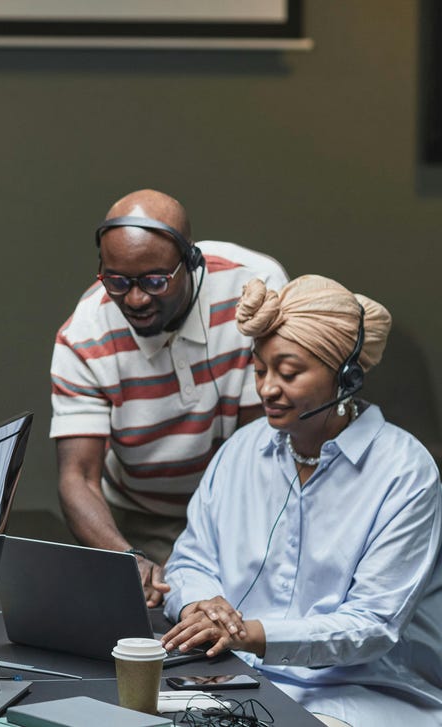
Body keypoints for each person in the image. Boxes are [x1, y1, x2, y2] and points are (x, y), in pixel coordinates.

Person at [161, 275, 442, 726]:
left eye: (288, 373)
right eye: (259, 370)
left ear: (345, 377)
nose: (267, 388)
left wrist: (248, 634)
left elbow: (370, 624)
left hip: (359, 692)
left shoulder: (405, 472)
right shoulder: (241, 451)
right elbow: (190, 559)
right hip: (234, 677)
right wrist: (201, 605)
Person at [50, 189, 287, 606]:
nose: (136, 299)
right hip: (142, 523)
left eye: (155, 281)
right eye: (117, 282)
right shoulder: (84, 337)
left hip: (248, 511)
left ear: (191, 263)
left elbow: (268, 447)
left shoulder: (255, 287)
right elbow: (79, 478)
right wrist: (126, 559)